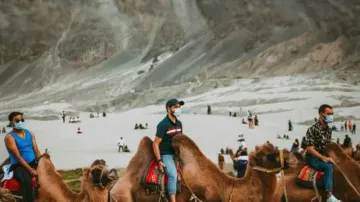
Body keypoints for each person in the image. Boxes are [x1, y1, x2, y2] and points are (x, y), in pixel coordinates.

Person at [305, 104, 340, 202]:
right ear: (321, 114)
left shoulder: (329, 130)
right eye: (329, 113)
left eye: (332, 114)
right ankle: (329, 195)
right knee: (328, 167)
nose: (331, 116)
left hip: (323, 156)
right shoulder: (312, 129)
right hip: (312, 158)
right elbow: (310, 149)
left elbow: (327, 146)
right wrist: (323, 158)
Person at [5, 112, 41, 202]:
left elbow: (36, 149)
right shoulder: (10, 137)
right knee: (27, 182)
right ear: (11, 122)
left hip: (33, 162)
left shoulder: (30, 133)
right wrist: (30, 170)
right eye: (17, 120)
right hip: (19, 165)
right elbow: (18, 157)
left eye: (22, 120)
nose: (20, 122)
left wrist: (41, 162)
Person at [153, 98, 184, 202]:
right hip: (166, 154)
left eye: (179, 107)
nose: (178, 109)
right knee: (173, 175)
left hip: (177, 154)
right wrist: (159, 161)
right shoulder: (163, 124)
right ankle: (173, 199)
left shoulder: (179, 124)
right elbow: (155, 144)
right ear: (168, 109)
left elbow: (180, 140)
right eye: (175, 107)